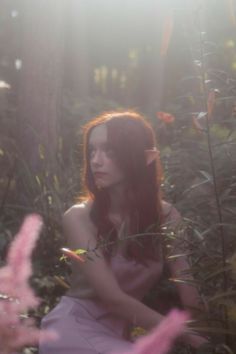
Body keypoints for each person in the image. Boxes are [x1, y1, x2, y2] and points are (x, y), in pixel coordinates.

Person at [39, 111, 206, 354]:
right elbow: (112, 298)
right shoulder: (78, 217)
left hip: (120, 337)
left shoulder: (167, 217)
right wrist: (191, 337)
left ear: (142, 157)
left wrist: (215, 336)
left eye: (110, 151)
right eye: (92, 151)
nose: (96, 161)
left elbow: (189, 291)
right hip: (71, 329)